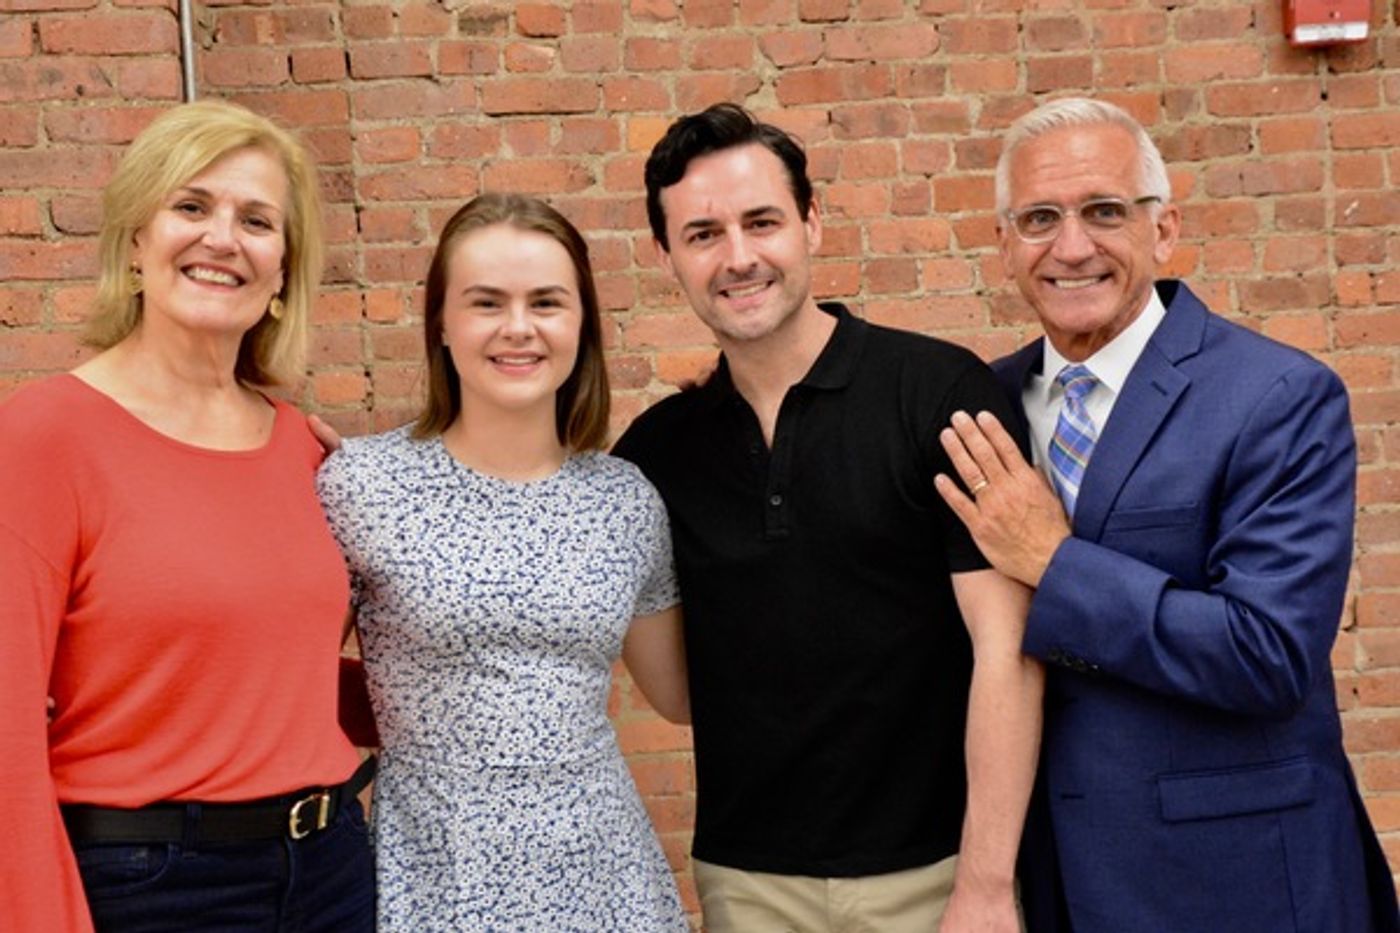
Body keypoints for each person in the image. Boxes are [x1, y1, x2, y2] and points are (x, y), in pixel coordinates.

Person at [934, 97, 1400, 932]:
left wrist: (1055, 561)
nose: (1071, 246)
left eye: (1104, 211)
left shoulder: (1278, 397)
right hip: (1051, 886)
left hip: (1237, 884)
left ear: (1164, 229)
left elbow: (1269, 653)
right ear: (1003, 244)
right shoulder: (983, 409)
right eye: (1039, 218)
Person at [611, 103, 1042, 933]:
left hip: (935, 875)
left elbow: (1008, 648)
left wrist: (986, 885)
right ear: (665, 255)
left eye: (762, 221)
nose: (738, 257)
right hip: (747, 882)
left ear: (811, 221)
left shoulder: (939, 396)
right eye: (702, 234)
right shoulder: (655, 455)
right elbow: (677, 697)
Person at [0, 100, 375, 932]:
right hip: (153, 887)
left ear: (283, 270)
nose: (222, 238)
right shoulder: (43, 437)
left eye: (256, 219)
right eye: (191, 206)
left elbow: (274, 670)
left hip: (332, 869)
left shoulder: (303, 448)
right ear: (136, 243)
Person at [316, 192, 690, 932]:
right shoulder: (360, 483)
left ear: (581, 325)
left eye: (547, 303)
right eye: (486, 302)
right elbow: (279, 671)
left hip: (603, 871)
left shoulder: (625, 499)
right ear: (442, 326)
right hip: (436, 865)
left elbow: (680, 694)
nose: (518, 328)